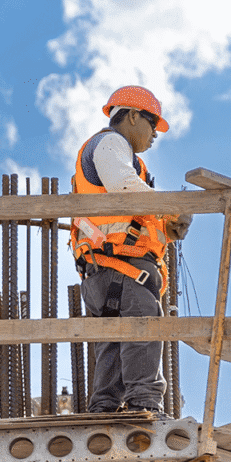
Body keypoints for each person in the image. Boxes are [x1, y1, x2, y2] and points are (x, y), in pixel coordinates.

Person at [70, 86, 192, 416]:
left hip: (106, 270)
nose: (155, 135)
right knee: (143, 331)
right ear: (133, 116)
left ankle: (105, 410)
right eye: (152, 124)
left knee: (113, 344)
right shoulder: (111, 144)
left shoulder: (128, 160)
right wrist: (172, 207)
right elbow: (122, 186)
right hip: (123, 270)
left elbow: (126, 218)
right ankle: (143, 406)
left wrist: (166, 227)